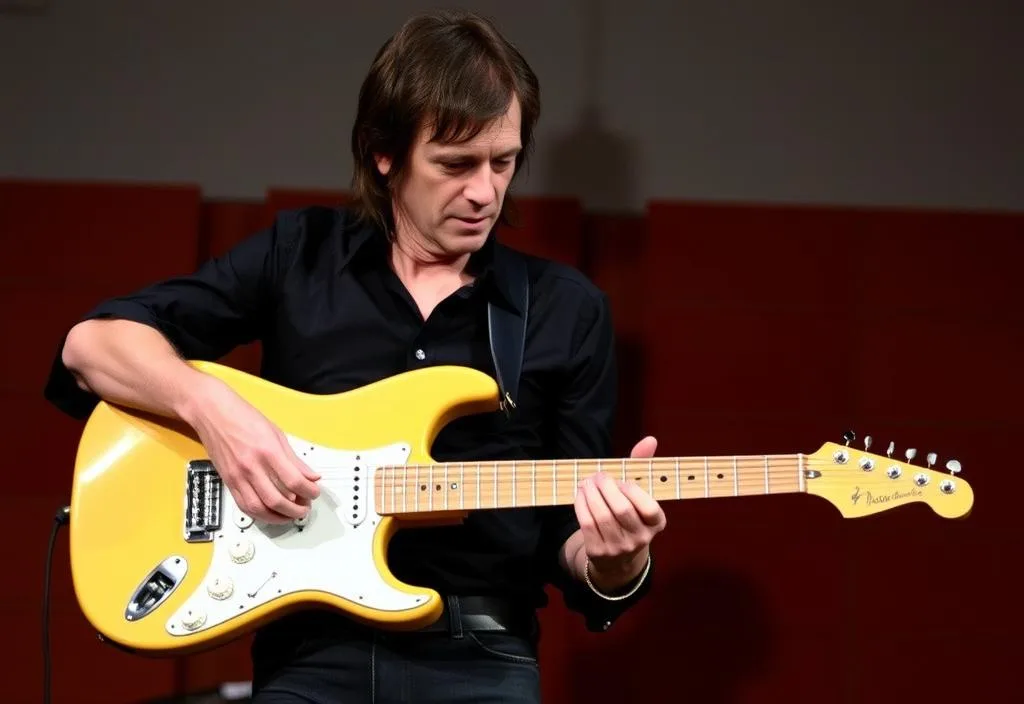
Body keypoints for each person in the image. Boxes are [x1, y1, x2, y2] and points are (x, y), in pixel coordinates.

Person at [44, 9, 667, 704]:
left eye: (504, 161)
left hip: (482, 655)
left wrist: (617, 557)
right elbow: (89, 346)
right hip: (308, 654)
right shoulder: (299, 254)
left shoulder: (565, 307)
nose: (486, 191)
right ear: (383, 152)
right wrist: (216, 412)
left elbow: (570, 542)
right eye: (455, 164)